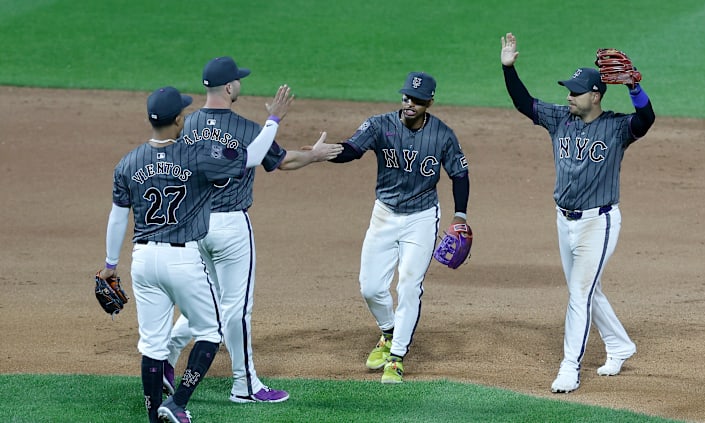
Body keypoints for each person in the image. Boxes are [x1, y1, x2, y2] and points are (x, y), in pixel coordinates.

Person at [99, 84, 293, 422]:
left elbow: (118, 216)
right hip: (183, 258)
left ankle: (152, 415)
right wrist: (273, 119)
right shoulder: (197, 155)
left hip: (142, 260)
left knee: (152, 345)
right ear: (178, 120)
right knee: (211, 331)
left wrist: (110, 265)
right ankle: (177, 403)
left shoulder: (127, 163)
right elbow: (252, 157)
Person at [164, 56, 342, 404]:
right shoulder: (247, 129)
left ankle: (167, 360)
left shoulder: (186, 126)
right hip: (230, 227)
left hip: (192, 225)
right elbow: (281, 161)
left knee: (208, 303)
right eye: (238, 81)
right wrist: (316, 155)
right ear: (229, 87)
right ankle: (245, 385)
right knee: (236, 308)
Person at [499, 32, 656, 393]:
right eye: (568, 90)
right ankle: (619, 345)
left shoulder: (617, 127)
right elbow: (525, 104)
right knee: (584, 290)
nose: (568, 96)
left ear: (596, 96)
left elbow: (645, 120)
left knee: (579, 294)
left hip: (597, 223)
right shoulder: (559, 119)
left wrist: (634, 88)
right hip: (562, 220)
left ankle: (569, 366)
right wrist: (509, 68)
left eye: (575, 91)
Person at [327, 71, 470, 384]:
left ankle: (397, 356)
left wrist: (460, 214)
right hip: (385, 214)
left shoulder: (443, 135)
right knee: (370, 287)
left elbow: (459, 174)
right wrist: (327, 152)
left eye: (417, 100)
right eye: (406, 97)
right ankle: (389, 331)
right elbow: (352, 149)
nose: (409, 104)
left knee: (408, 286)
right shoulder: (380, 125)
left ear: (429, 102)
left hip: (421, 218)